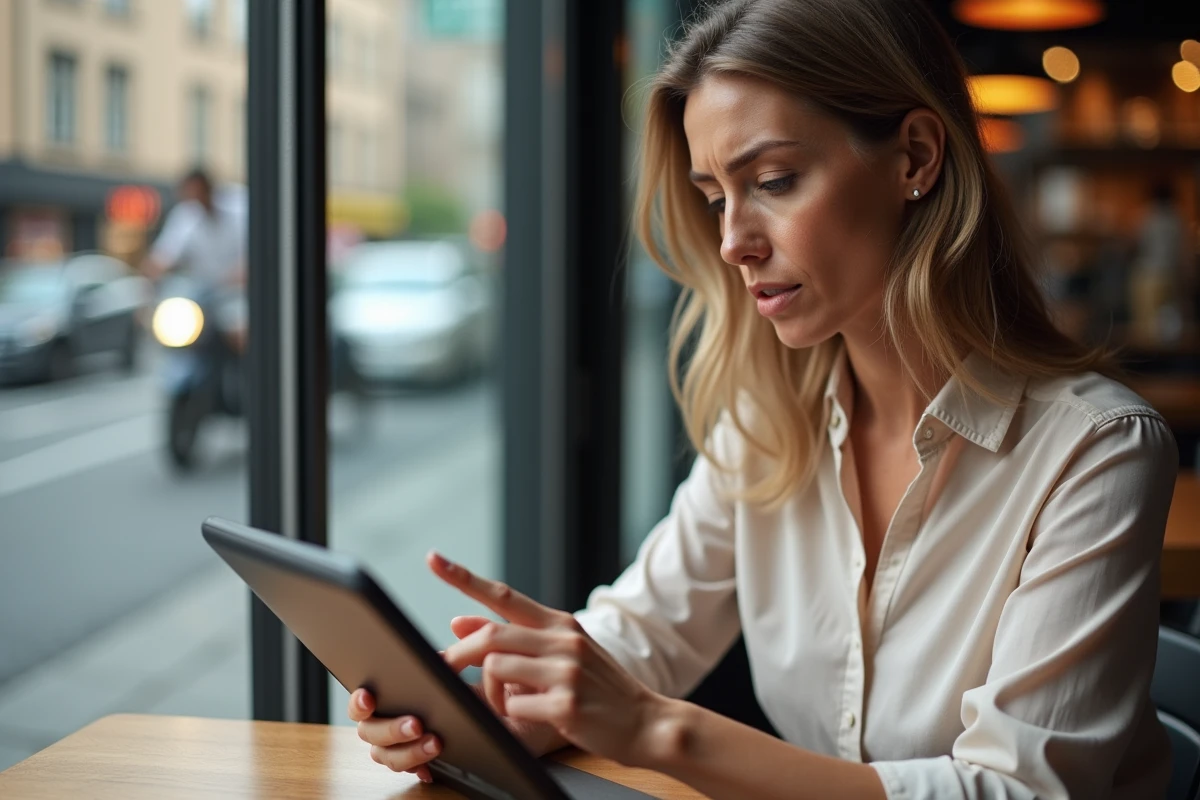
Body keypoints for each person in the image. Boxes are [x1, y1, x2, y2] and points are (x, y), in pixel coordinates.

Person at [349, 1, 1177, 797]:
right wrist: (470, 713)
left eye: (773, 181)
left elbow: (1017, 793)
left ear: (916, 158)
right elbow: (640, 637)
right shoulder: (770, 423)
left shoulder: (1095, 451)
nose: (732, 242)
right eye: (715, 198)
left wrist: (659, 731)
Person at [144, 167, 248, 350]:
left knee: (240, 332)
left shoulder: (239, 204)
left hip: (238, 294)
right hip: (203, 297)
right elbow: (161, 258)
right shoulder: (186, 215)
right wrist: (148, 288)